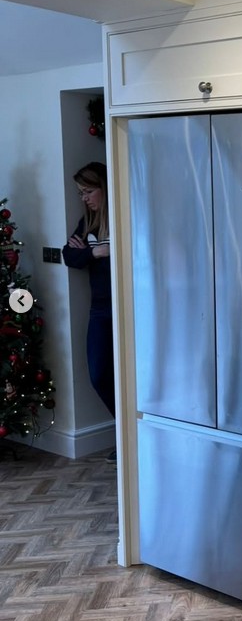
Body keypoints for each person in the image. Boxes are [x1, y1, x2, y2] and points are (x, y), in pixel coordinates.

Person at [62, 161, 116, 461]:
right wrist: (97, 250)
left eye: (88, 191)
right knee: (98, 374)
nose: (84, 198)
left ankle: (133, 439)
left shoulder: (122, 216)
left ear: (104, 188)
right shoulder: (89, 222)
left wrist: (90, 252)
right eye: (81, 193)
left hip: (129, 308)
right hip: (100, 310)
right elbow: (70, 254)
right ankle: (125, 431)